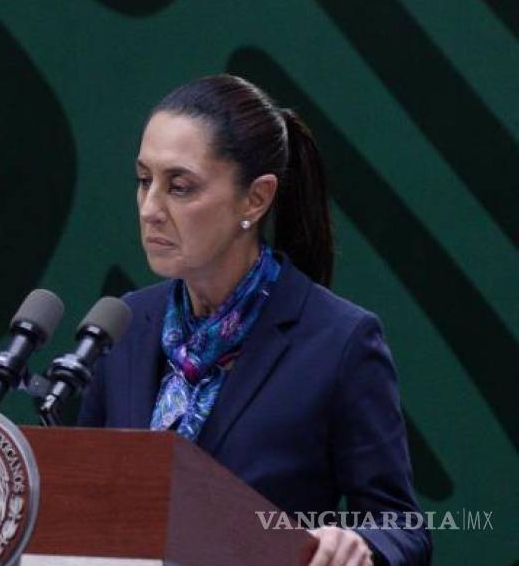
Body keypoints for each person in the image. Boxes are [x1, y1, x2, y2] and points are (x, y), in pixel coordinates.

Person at [78, 75, 431, 566]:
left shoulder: (340, 341)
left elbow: (402, 526)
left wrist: (361, 544)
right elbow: (75, 503)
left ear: (255, 199)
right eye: (144, 180)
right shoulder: (126, 323)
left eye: (179, 186)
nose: (151, 209)